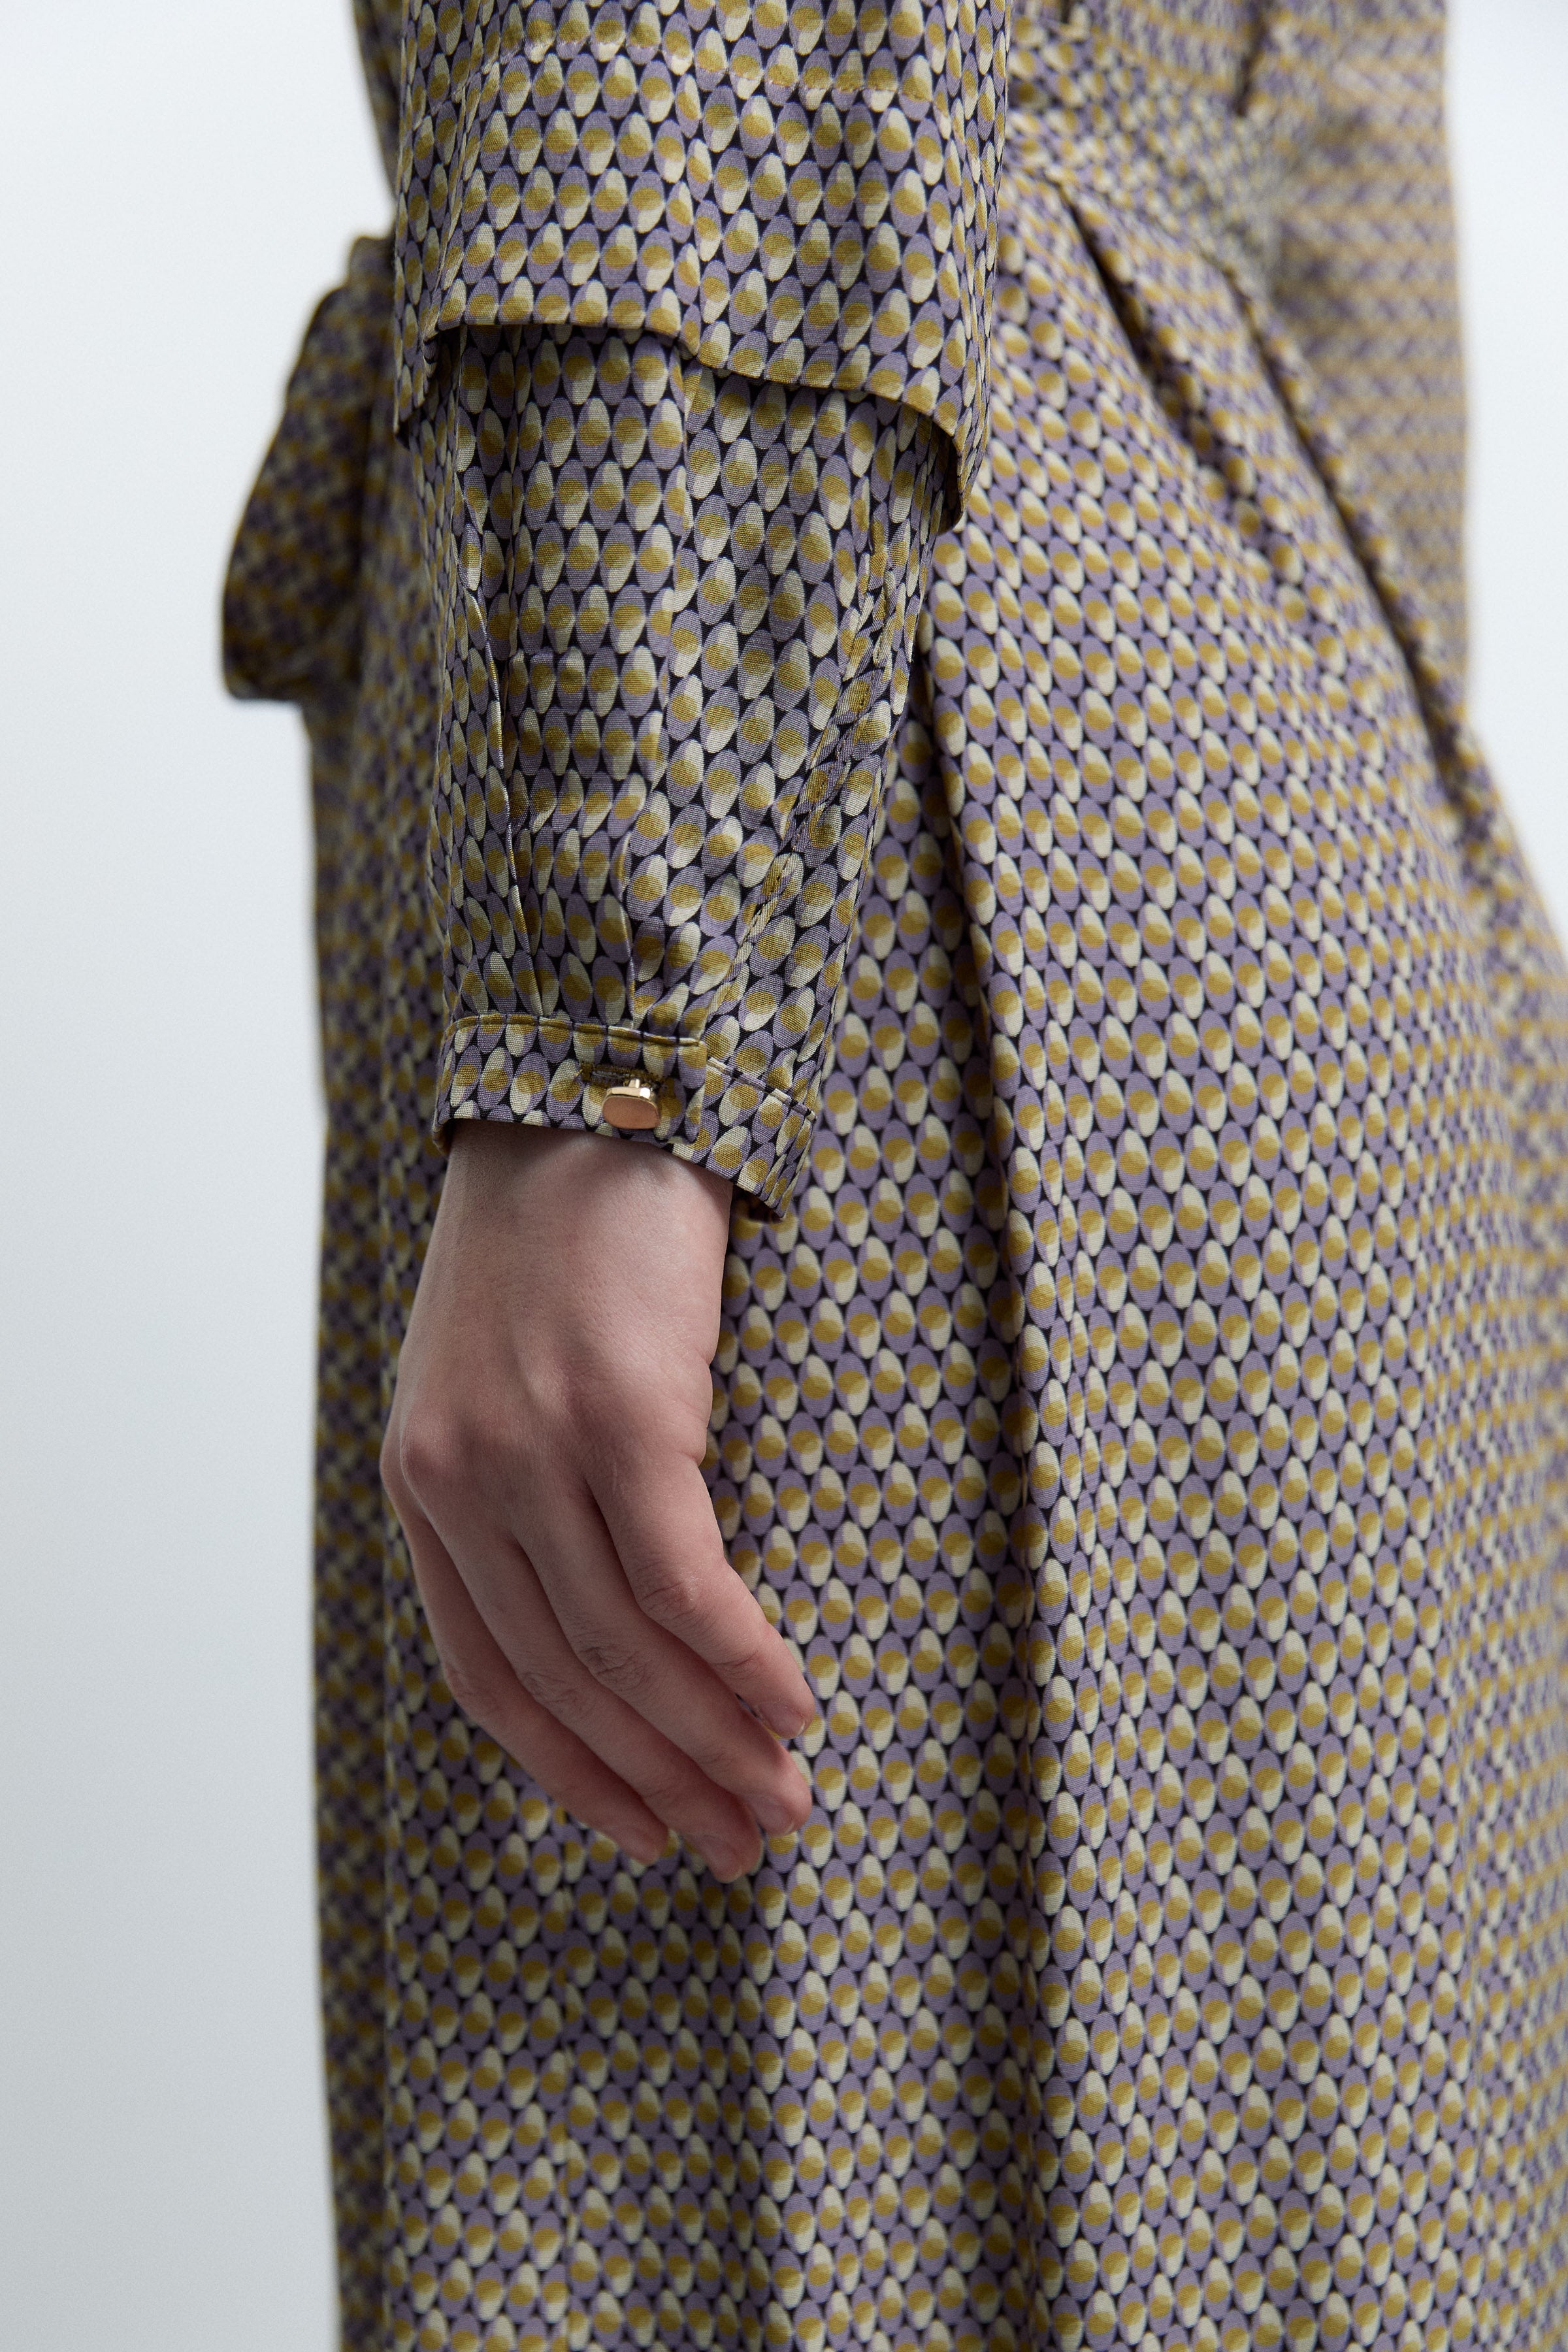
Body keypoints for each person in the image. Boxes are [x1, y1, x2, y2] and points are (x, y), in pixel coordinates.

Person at [225, 1, 1568, 2346]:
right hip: (1269, 783)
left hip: (857, 775)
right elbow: (1353, 187)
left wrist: (613, 1033)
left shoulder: (680, 916)